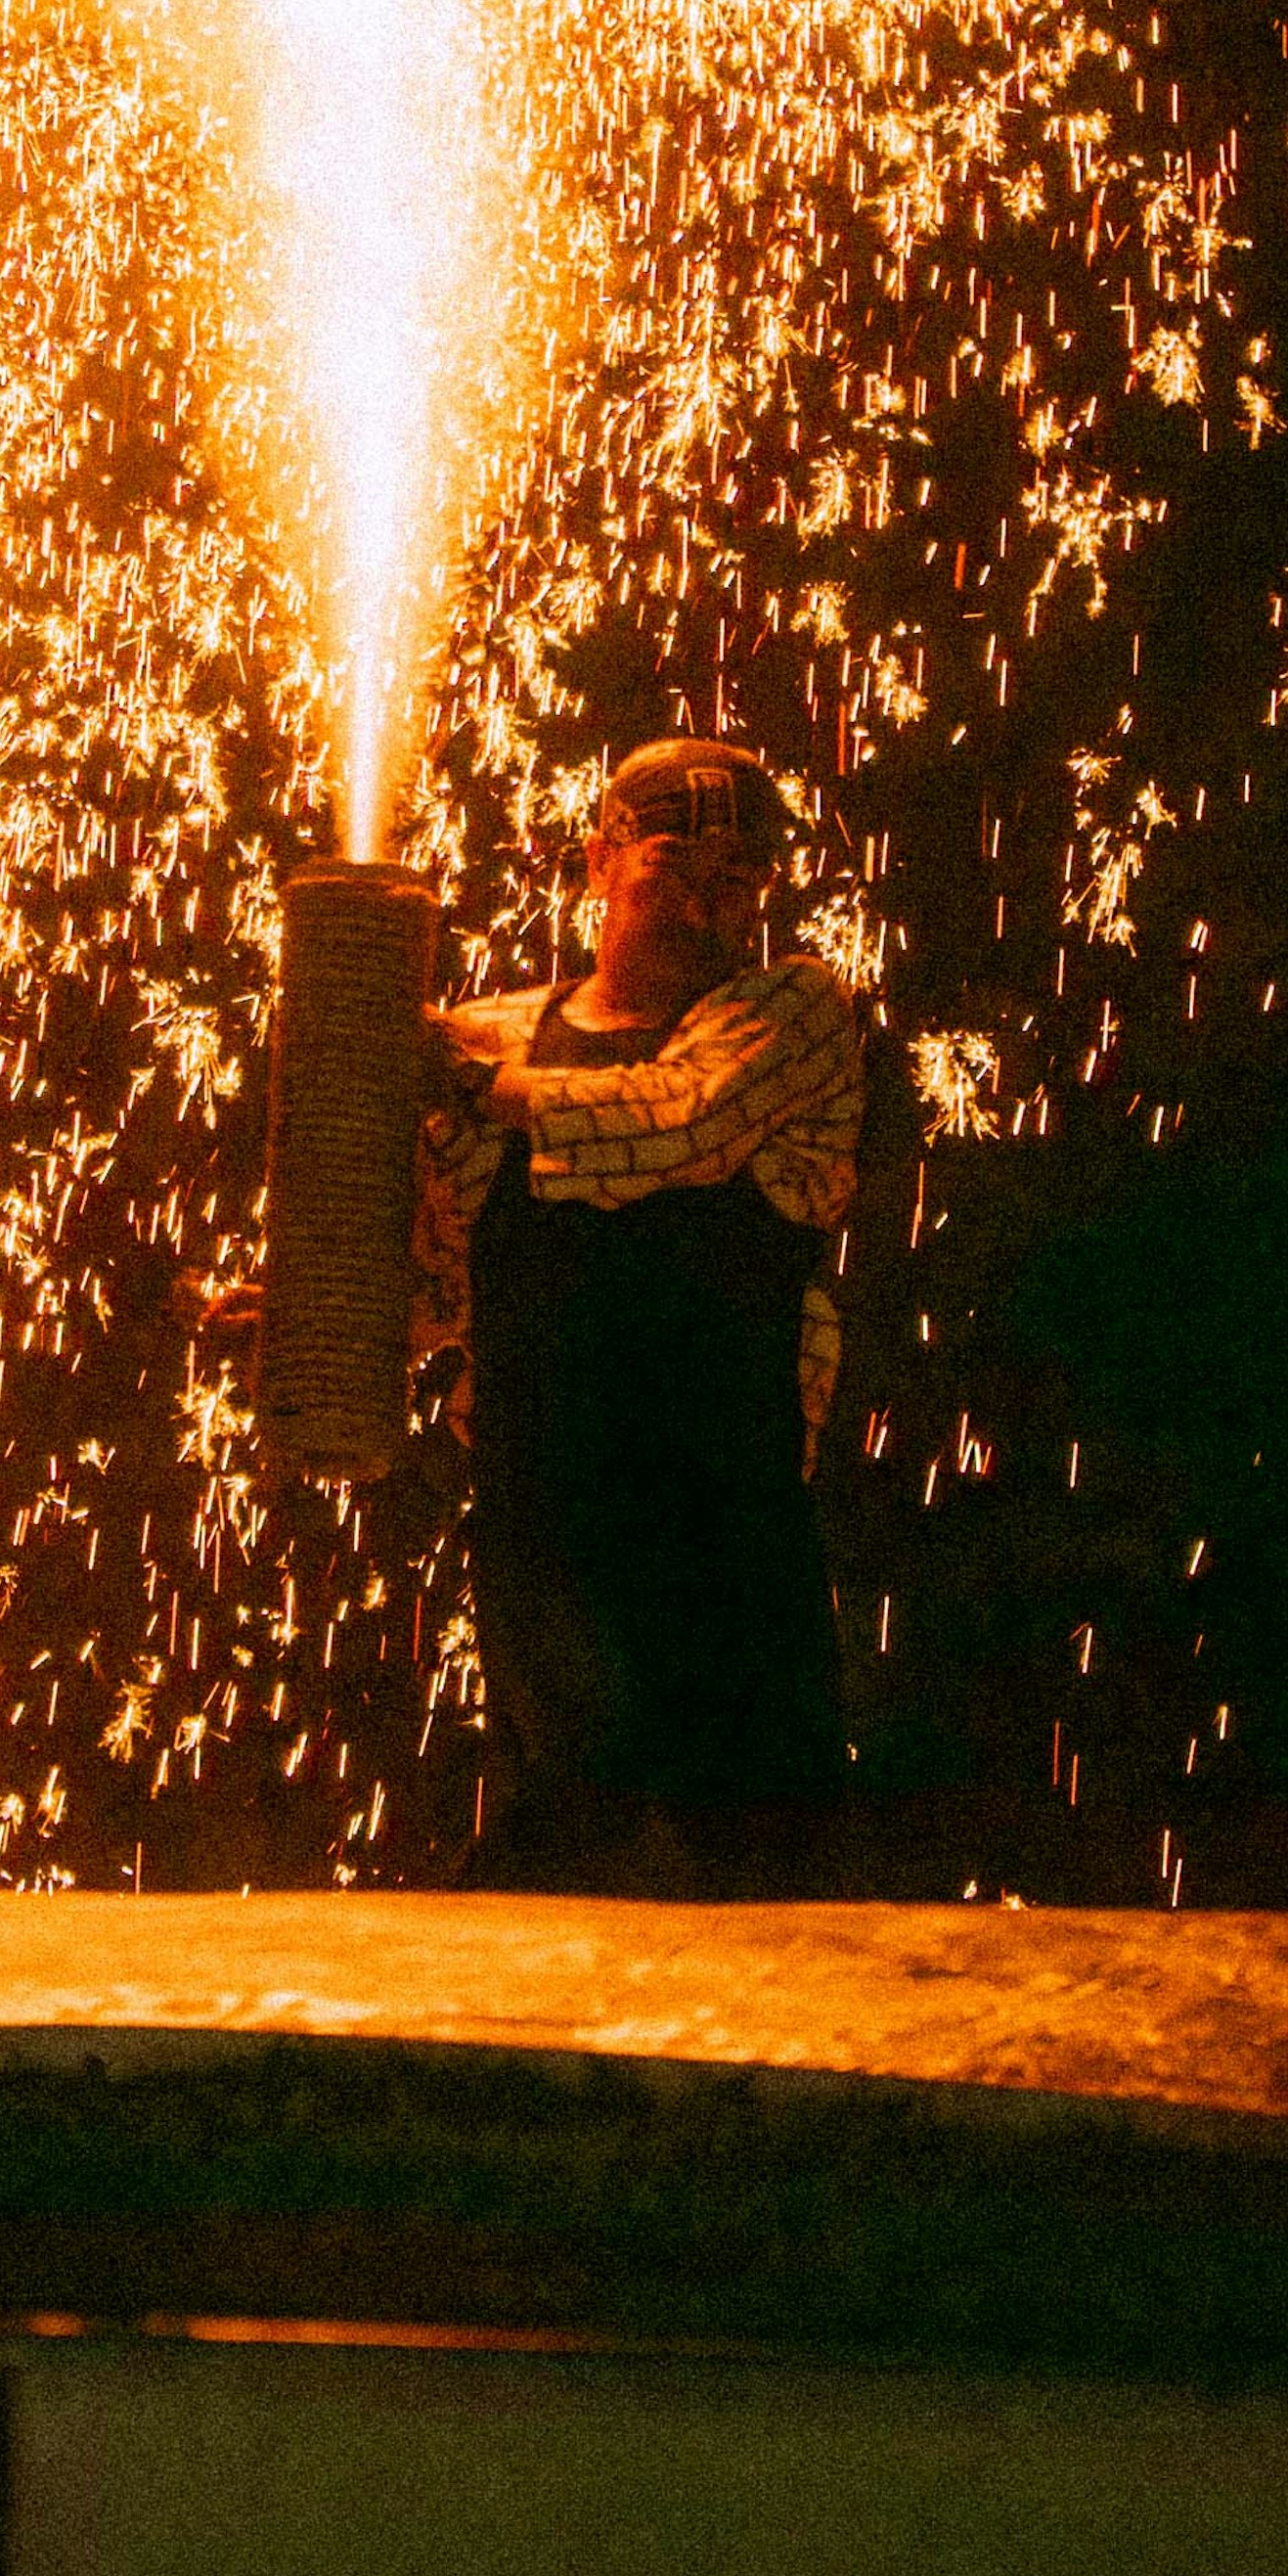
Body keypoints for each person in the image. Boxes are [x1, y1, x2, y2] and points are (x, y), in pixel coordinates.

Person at [417, 736, 866, 1889]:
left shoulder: (794, 1015)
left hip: (725, 1540)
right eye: (677, 860)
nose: (713, 898)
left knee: (766, 1885)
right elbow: (439, 1276)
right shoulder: (490, 1038)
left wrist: (473, 1084)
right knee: (561, 1853)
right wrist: (308, 1314)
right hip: (543, 1531)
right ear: (595, 865)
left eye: (742, 874)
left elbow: (679, 1121)